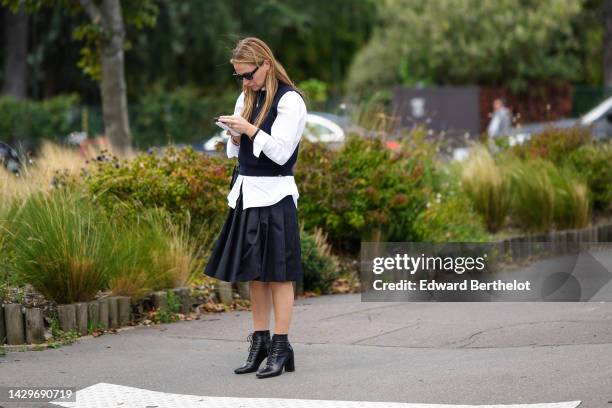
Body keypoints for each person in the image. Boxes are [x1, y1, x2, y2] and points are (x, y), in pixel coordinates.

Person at [203, 37, 306, 379]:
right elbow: (238, 154)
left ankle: (281, 345)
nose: (245, 83)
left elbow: (279, 153)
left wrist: (249, 128)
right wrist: (234, 136)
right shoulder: (247, 96)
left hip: (275, 194)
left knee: (279, 274)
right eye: (239, 77)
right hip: (246, 193)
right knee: (255, 275)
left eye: (248, 75)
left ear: (265, 64)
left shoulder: (290, 101)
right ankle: (260, 343)